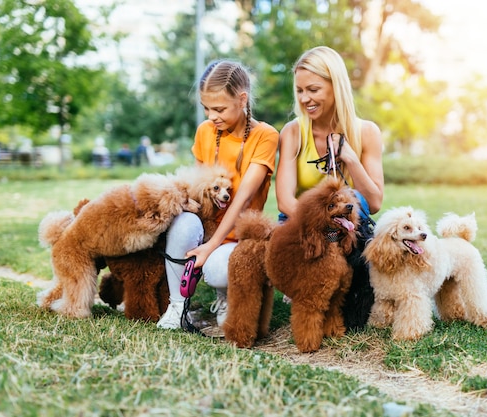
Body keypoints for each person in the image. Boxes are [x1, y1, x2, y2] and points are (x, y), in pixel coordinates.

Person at [157, 60, 279, 330]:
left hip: (237, 236)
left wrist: (210, 247)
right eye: (206, 108)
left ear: (242, 99)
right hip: (207, 225)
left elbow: (244, 198)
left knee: (217, 270)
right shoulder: (206, 131)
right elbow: (198, 185)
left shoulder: (266, 136)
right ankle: (178, 305)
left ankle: (226, 295)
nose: (212, 116)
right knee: (182, 224)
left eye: (219, 109)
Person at [275, 46, 384, 328]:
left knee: (354, 197)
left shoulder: (367, 132)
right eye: (299, 91)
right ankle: (303, 281)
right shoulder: (293, 132)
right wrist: (321, 224)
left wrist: (350, 158)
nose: (304, 99)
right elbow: (285, 201)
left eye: (313, 89)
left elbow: (373, 203)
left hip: (347, 230)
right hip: (303, 226)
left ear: (336, 86)